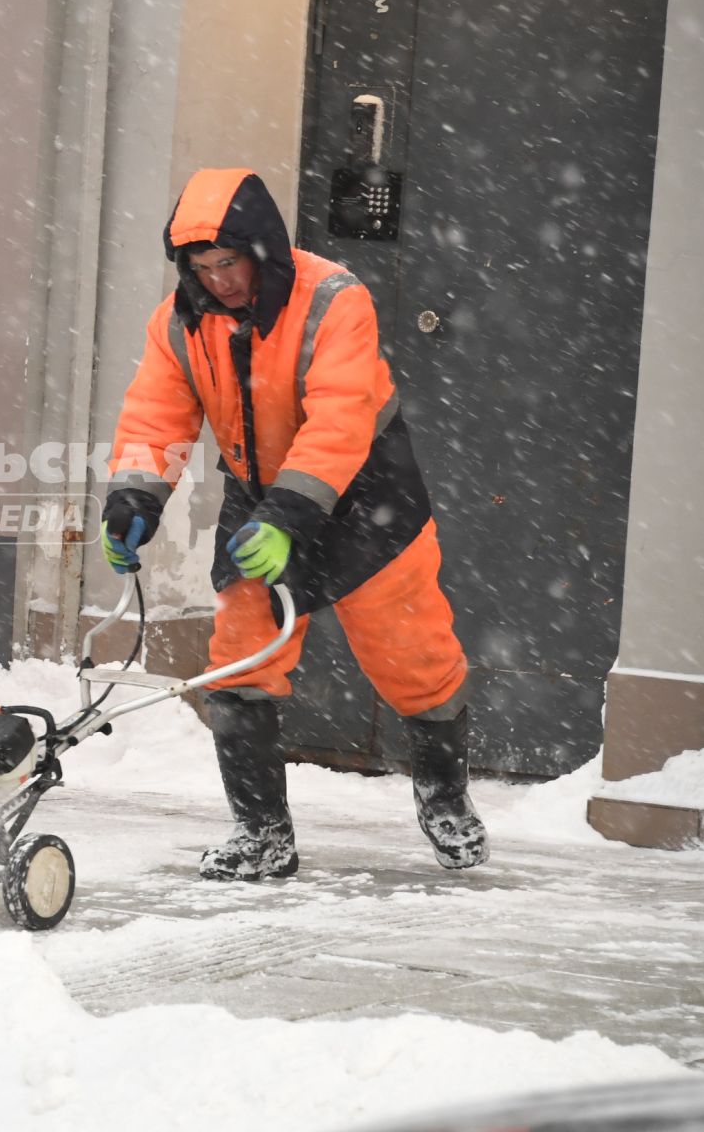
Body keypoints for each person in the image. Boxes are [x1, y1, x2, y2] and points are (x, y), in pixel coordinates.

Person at [103, 166, 488, 880]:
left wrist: (291, 513)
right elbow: (156, 417)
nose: (218, 280)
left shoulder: (333, 300)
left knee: (413, 657)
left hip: (367, 497)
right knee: (241, 660)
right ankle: (261, 833)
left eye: (229, 262)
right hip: (258, 499)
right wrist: (134, 498)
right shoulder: (179, 325)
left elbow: (341, 419)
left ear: (263, 249)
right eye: (202, 267)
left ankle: (445, 797)